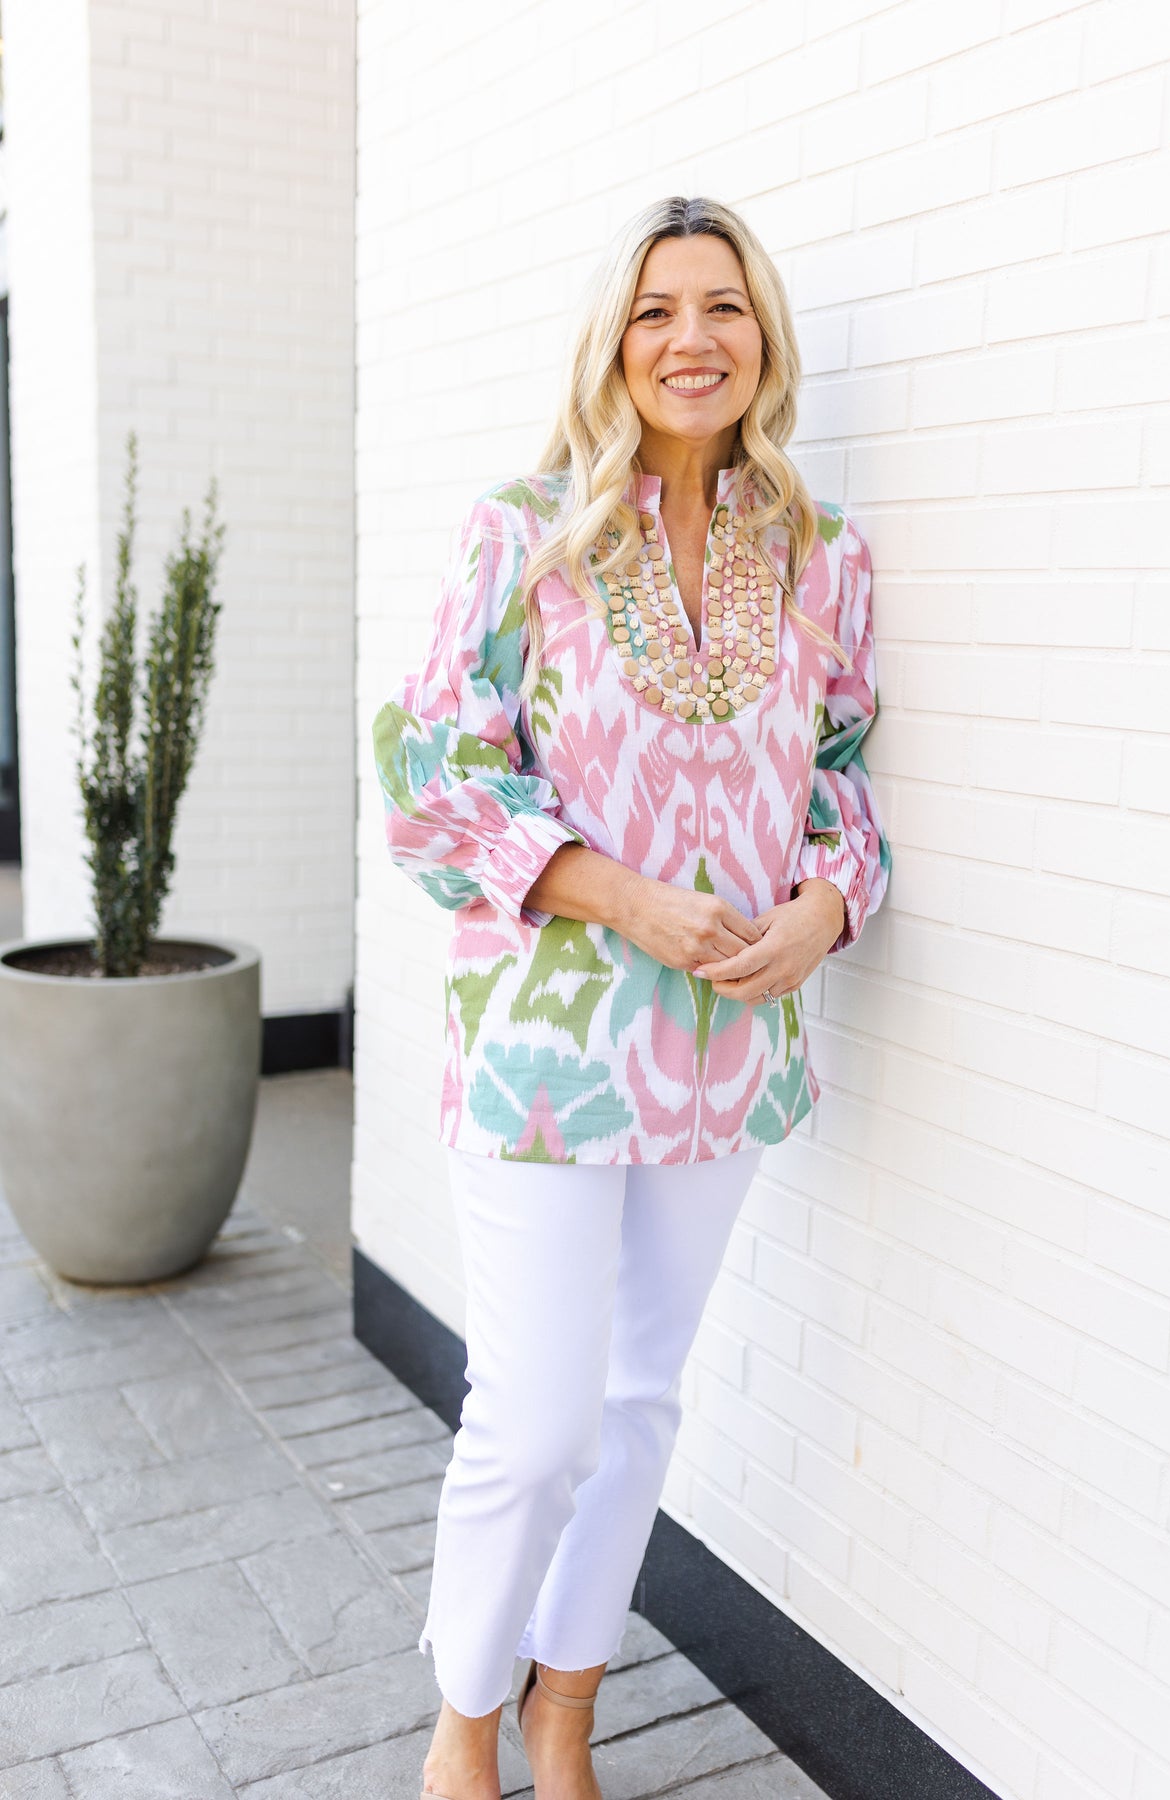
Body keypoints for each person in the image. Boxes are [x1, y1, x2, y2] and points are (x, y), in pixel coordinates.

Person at [372, 194, 891, 1800]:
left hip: (729, 1047)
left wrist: (824, 907)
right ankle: (465, 1725)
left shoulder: (823, 557)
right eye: (658, 309)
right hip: (548, 1048)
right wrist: (624, 896)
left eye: (723, 306)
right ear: (613, 343)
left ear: (764, 340)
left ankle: (567, 1713)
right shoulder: (524, 533)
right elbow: (433, 777)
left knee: (642, 1398)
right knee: (535, 1421)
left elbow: (844, 778)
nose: (691, 338)